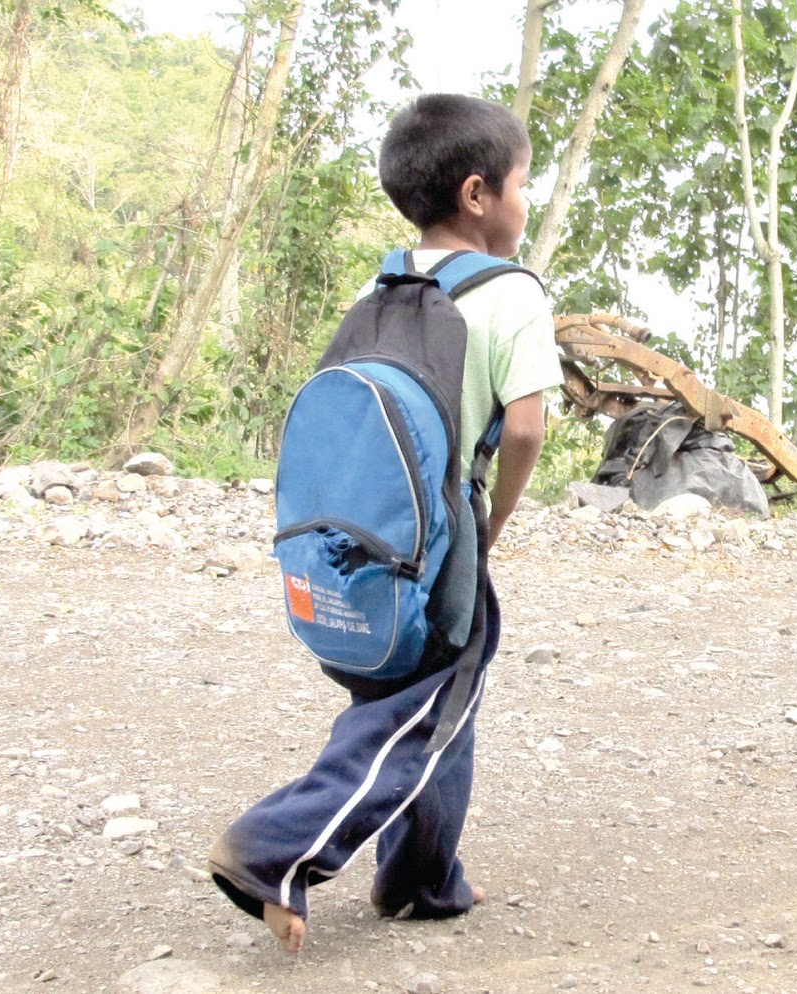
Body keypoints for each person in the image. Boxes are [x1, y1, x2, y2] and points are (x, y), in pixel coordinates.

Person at [207, 93, 563, 954]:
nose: (528, 202)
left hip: (365, 539)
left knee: (429, 706)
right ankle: (272, 849)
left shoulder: (386, 281)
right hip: (443, 535)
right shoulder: (512, 294)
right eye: (523, 185)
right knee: (418, 713)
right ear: (479, 194)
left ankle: (420, 882)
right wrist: (498, 521)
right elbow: (524, 427)